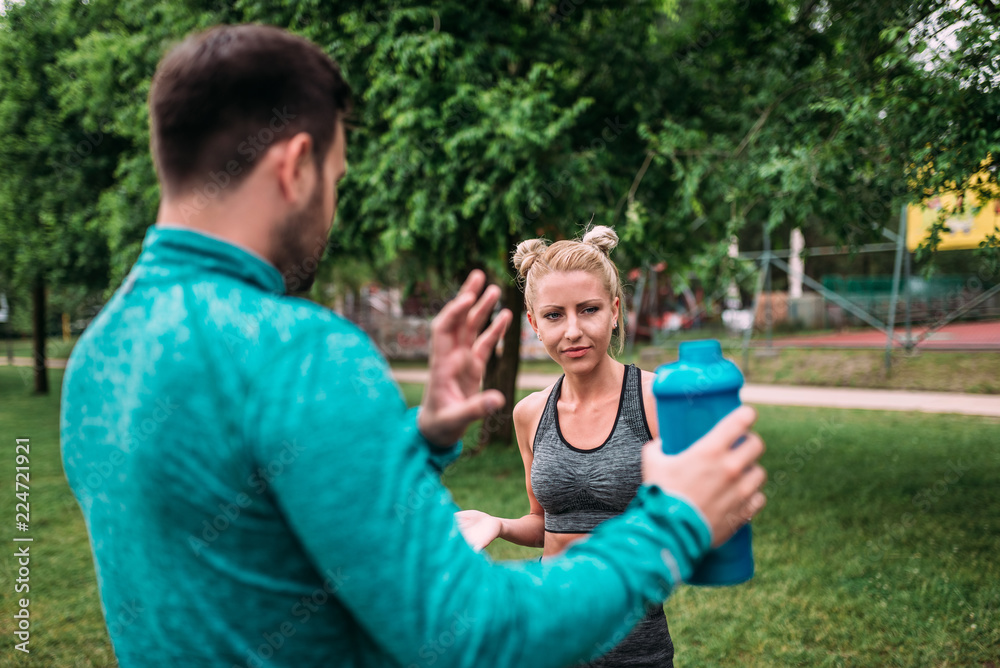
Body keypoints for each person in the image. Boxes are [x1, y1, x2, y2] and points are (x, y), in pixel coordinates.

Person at [60, 24, 767, 668]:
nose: (331, 208)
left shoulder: (97, 357)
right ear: (295, 165)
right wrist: (676, 521)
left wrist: (421, 441)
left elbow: (265, 537)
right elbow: (479, 634)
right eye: (335, 179)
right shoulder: (302, 352)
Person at [456, 227, 682, 666]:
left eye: (589, 309)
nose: (573, 330)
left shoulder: (656, 401)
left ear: (614, 311)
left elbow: (694, 520)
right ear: (534, 324)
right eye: (555, 315)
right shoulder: (530, 414)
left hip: (632, 648)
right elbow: (548, 525)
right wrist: (498, 524)